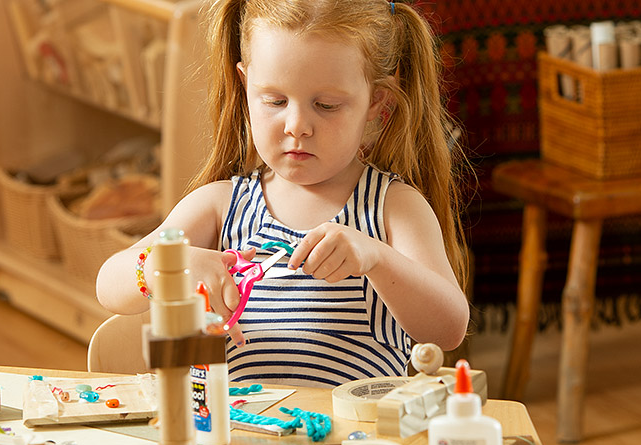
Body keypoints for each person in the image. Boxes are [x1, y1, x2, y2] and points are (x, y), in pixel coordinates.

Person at [97, 0, 470, 388]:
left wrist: (376, 258)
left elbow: (448, 329)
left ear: (377, 102)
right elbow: (108, 285)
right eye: (274, 101)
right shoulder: (221, 205)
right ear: (245, 86)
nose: (296, 126)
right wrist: (166, 268)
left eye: (326, 106)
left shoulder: (392, 207)